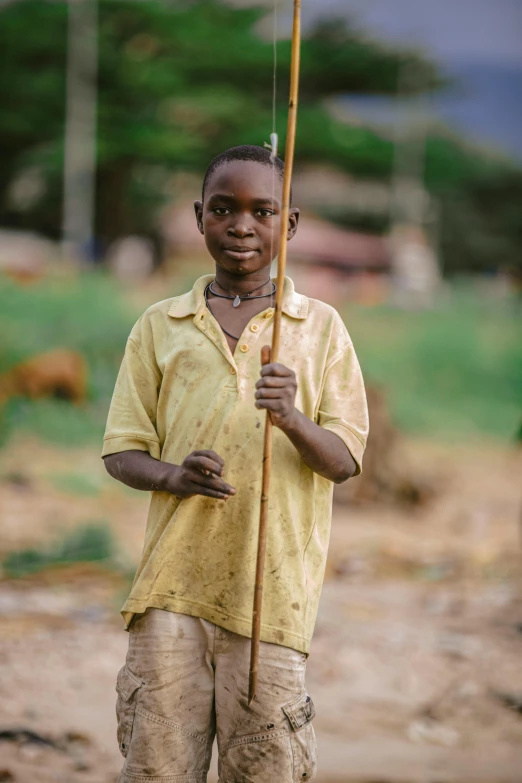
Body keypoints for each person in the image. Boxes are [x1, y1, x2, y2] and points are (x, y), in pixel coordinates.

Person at [102, 145, 369, 783]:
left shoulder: (320, 328)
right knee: (158, 765)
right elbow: (121, 450)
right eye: (223, 209)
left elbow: (346, 460)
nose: (241, 226)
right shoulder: (160, 325)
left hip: (270, 597)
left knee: (264, 766)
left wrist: (294, 420)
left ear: (291, 224)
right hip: (170, 590)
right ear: (200, 218)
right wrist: (172, 476)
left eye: (262, 211)